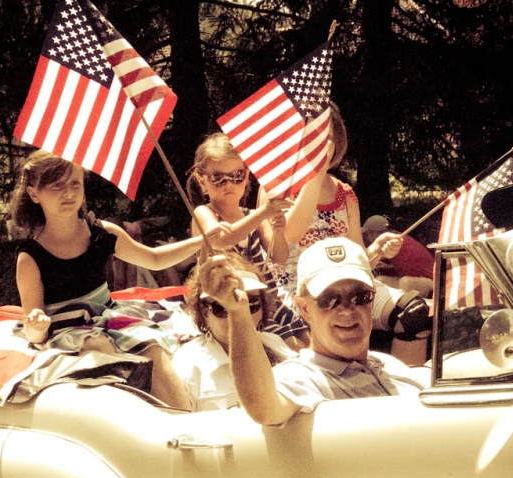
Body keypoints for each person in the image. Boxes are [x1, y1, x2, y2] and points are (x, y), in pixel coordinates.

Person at [11, 149, 223, 409]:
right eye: (56, 186)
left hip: (109, 318)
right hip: (65, 330)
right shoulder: (30, 256)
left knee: (153, 348)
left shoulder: (101, 233)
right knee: (100, 347)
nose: (67, 193)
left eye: (74, 184)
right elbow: (34, 330)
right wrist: (36, 324)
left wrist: (201, 240)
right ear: (34, 194)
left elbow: (154, 258)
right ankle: (146, 416)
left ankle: (185, 417)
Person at [259, 102, 431, 364]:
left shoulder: (345, 194)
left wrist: (377, 250)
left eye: (323, 138)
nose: (319, 146)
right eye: (310, 138)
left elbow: (356, 258)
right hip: (300, 291)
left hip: (349, 283)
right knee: (328, 344)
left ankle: (400, 386)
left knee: (414, 313)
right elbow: (290, 236)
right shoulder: (274, 188)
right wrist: (315, 174)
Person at [199, 237, 429, 426]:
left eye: (360, 296)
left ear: (373, 298)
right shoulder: (300, 377)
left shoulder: (390, 365)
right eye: (329, 299)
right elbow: (264, 409)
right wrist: (238, 312)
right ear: (304, 308)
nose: (347, 310)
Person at [186, 132, 309, 350]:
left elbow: (279, 257)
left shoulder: (251, 216)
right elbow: (223, 240)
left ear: (246, 176)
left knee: (310, 341)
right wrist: (262, 213)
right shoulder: (204, 214)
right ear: (202, 181)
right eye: (218, 178)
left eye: (237, 176)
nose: (228, 184)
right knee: (290, 348)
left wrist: (279, 231)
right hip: (229, 303)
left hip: (267, 299)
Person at [172, 253, 295, 411]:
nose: (240, 310)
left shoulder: (276, 345)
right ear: (204, 312)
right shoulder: (187, 364)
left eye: (252, 303)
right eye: (222, 307)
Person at [362, 214, 434, 298]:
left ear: (374, 234)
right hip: (417, 278)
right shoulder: (397, 237)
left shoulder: (392, 242)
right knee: (379, 281)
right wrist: (389, 267)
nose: (366, 238)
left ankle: (402, 309)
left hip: (431, 282)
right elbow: (407, 265)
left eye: (366, 235)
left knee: (405, 283)